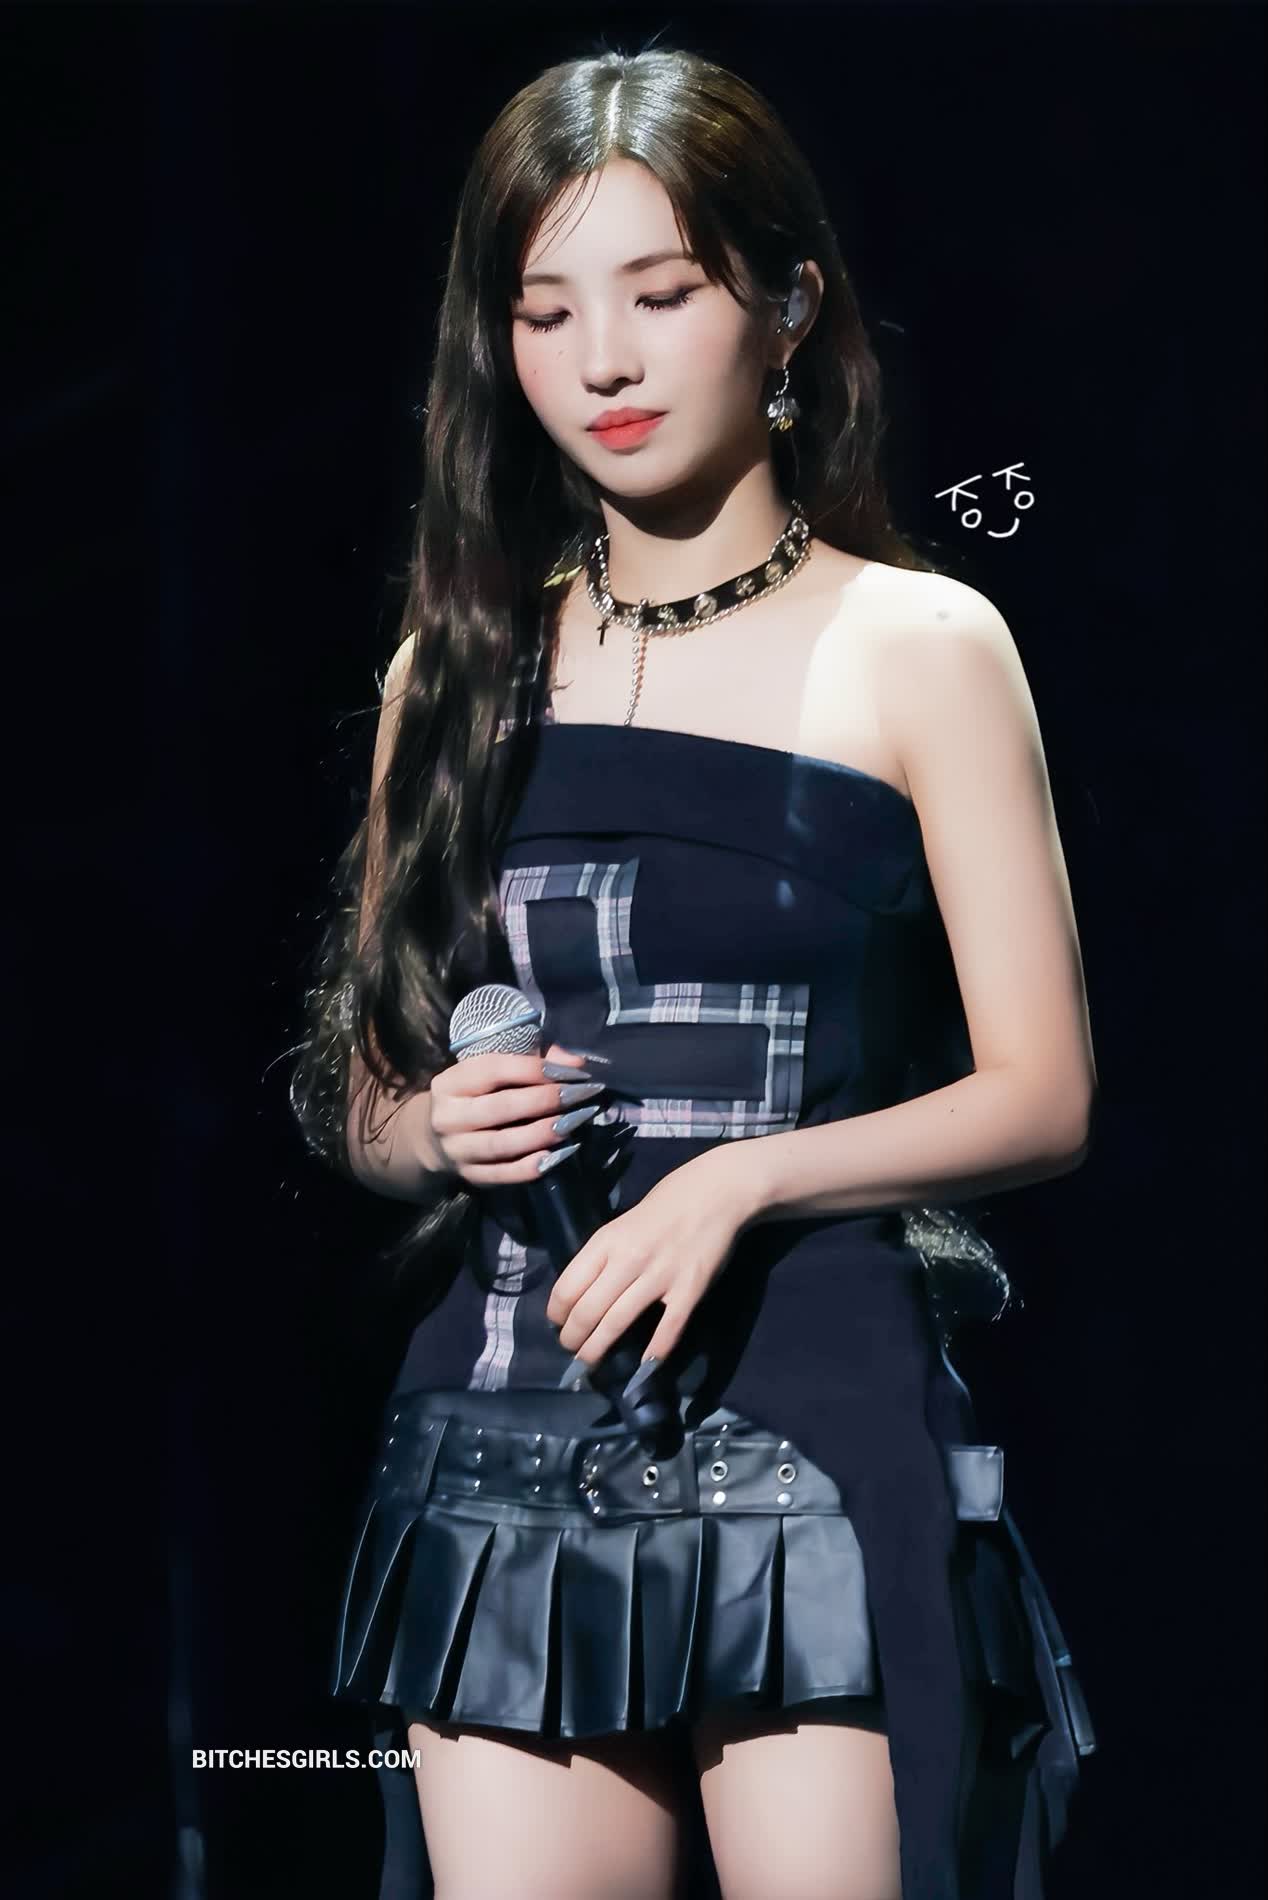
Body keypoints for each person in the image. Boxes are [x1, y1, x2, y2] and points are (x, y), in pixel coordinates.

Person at [290, 45, 1098, 1900]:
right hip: (507, 1423)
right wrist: (434, 1128)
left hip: (808, 1418)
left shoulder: (919, 642)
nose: (606, 360)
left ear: (787, 306)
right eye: (546, 311)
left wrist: (741, 1179)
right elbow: (367, 1096)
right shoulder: (455, 671)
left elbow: (1043, 1093)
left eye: (661, 294)